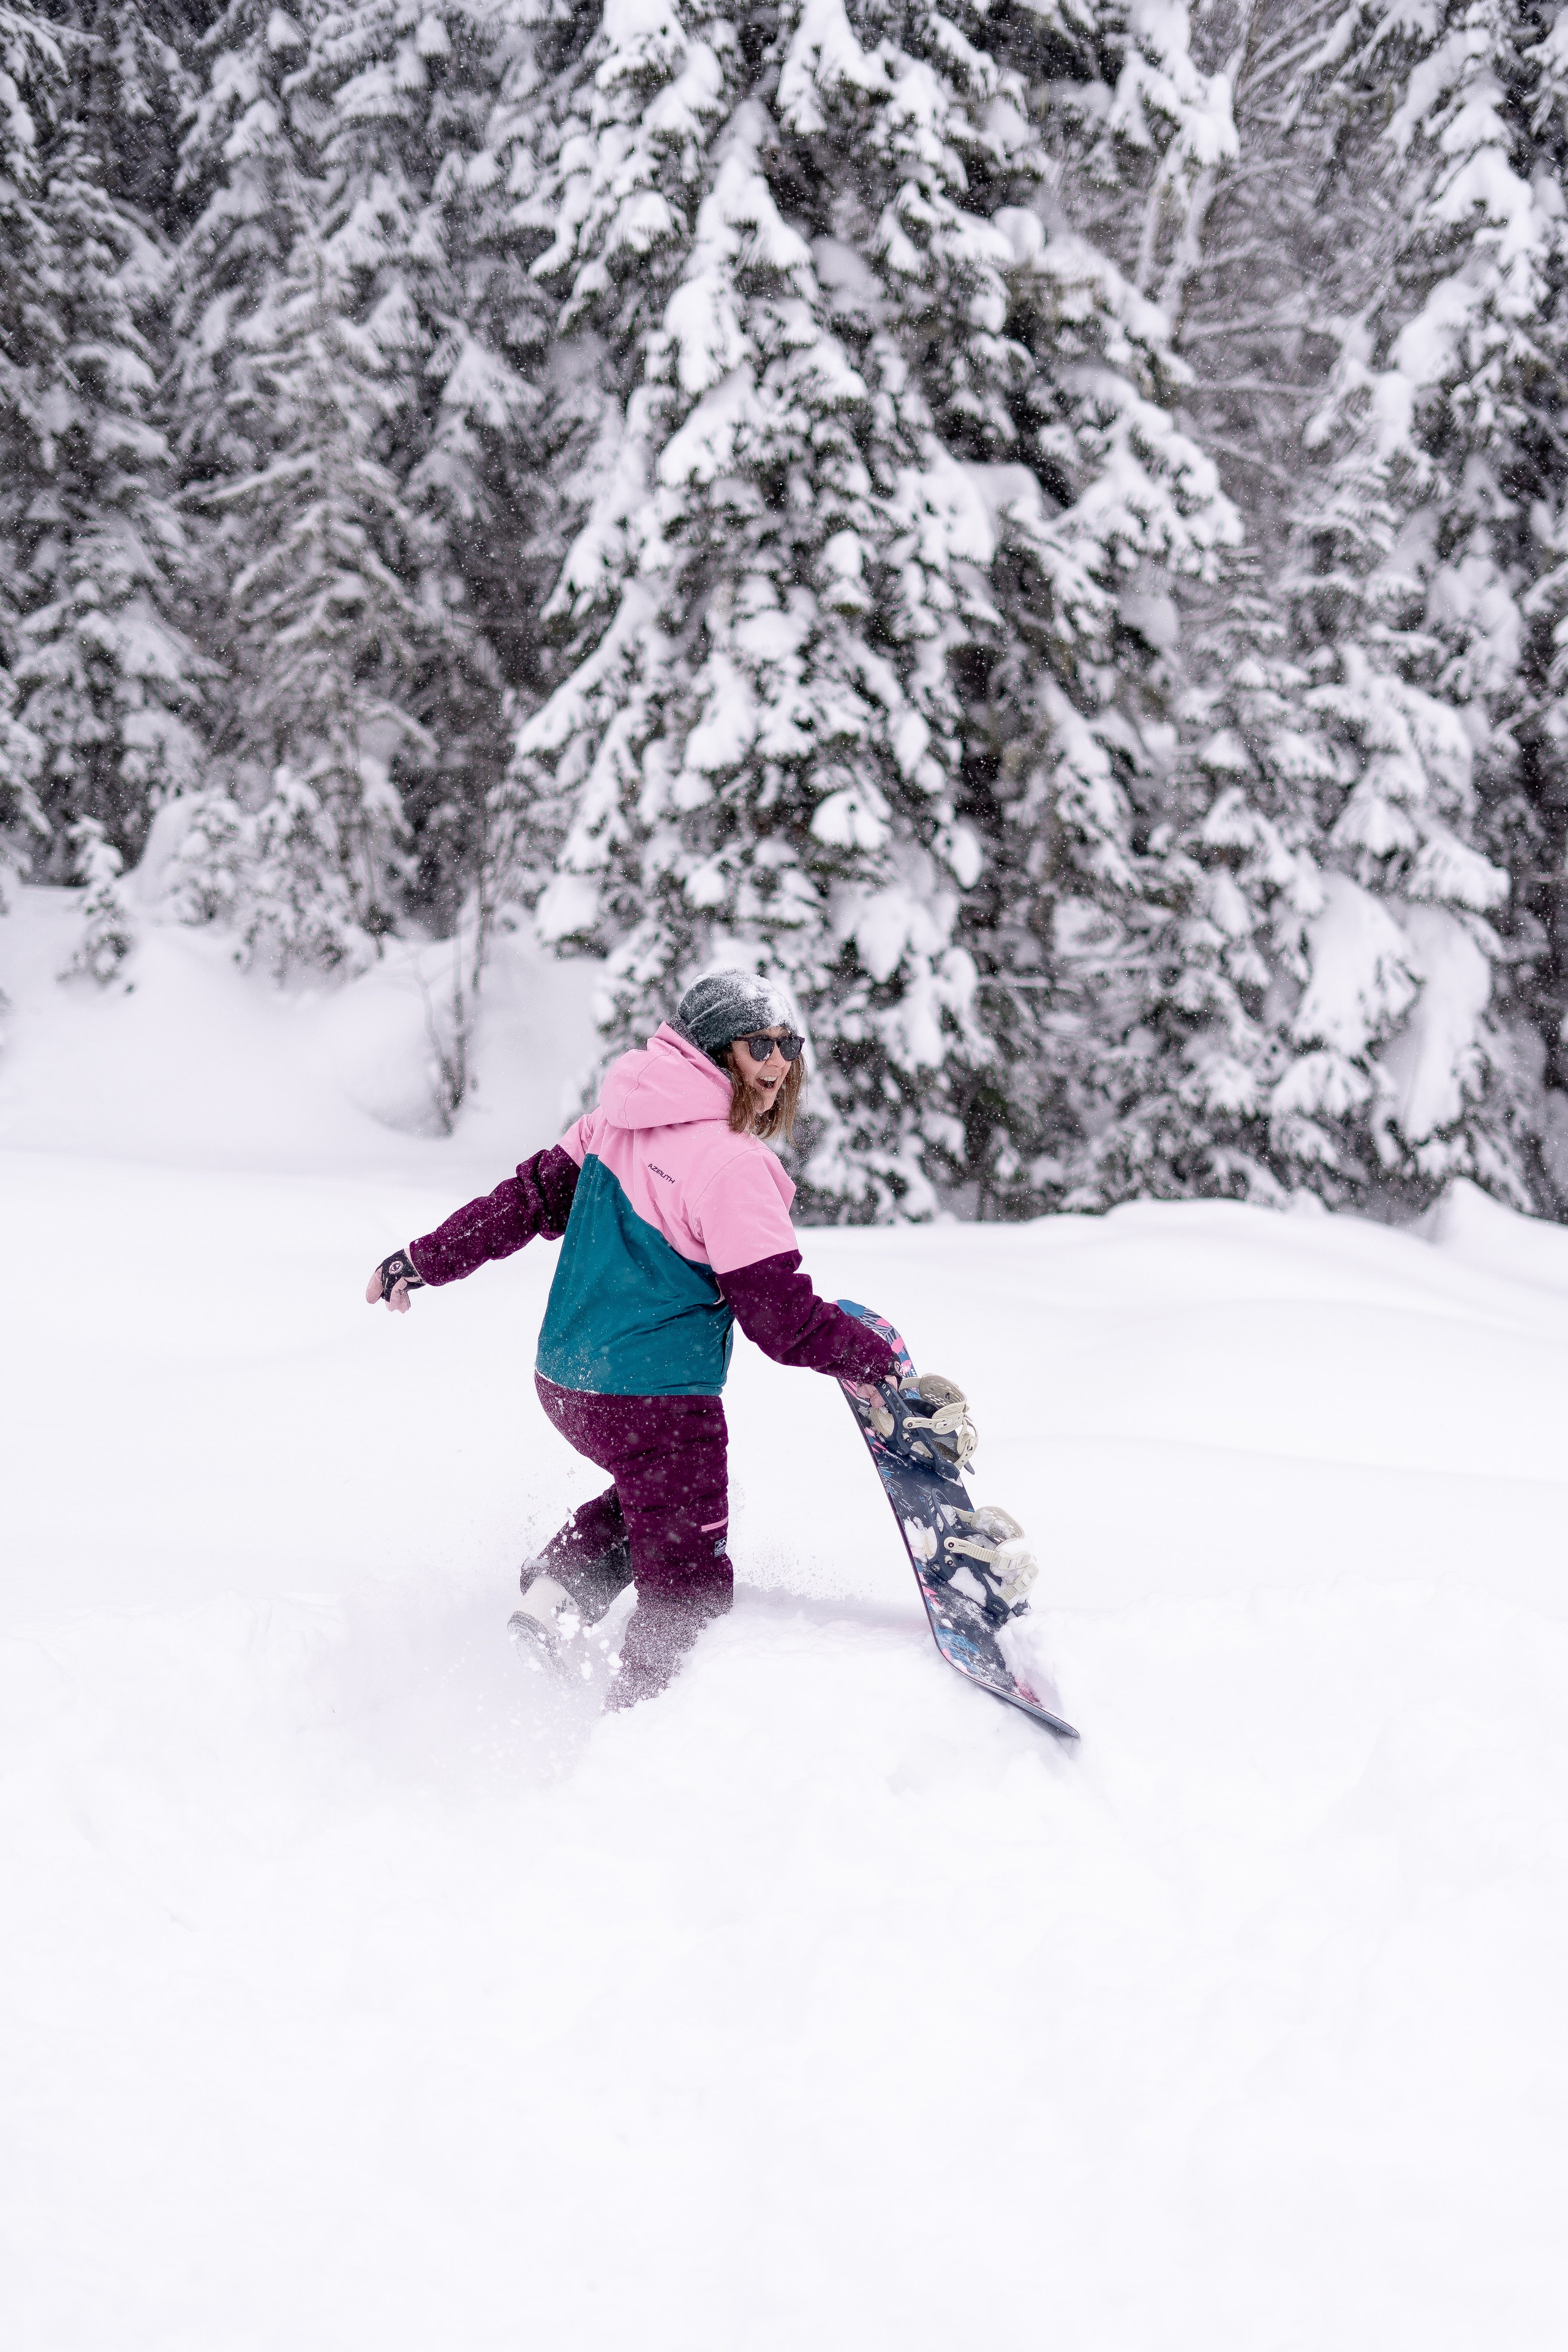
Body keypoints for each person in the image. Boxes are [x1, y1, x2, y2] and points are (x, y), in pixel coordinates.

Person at [366, 970, 902, 1706]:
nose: (777, 1063)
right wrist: (872, 1358)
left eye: (787, 1043)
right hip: (656, 1401)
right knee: (688, 1583)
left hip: (567, 1382)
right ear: (715, 1052)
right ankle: (650, 1724)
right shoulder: (733, 1166)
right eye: (758, 1045)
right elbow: (778, 1319)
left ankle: (555, 1598)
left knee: (655, 1499)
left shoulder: (615, 1119)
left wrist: (423, 1258)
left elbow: (521, 1204)